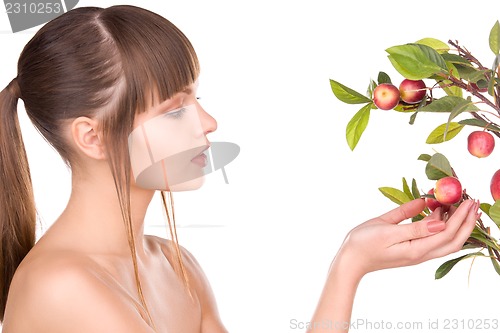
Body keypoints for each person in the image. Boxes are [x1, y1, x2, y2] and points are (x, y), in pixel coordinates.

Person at [0, 5, 480, 333]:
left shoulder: (175, 264)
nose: (208, 123)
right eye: (175, 109)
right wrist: (349, 268)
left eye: (198, 99)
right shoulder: (59, 287)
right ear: (94, 137)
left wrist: (351, 264)